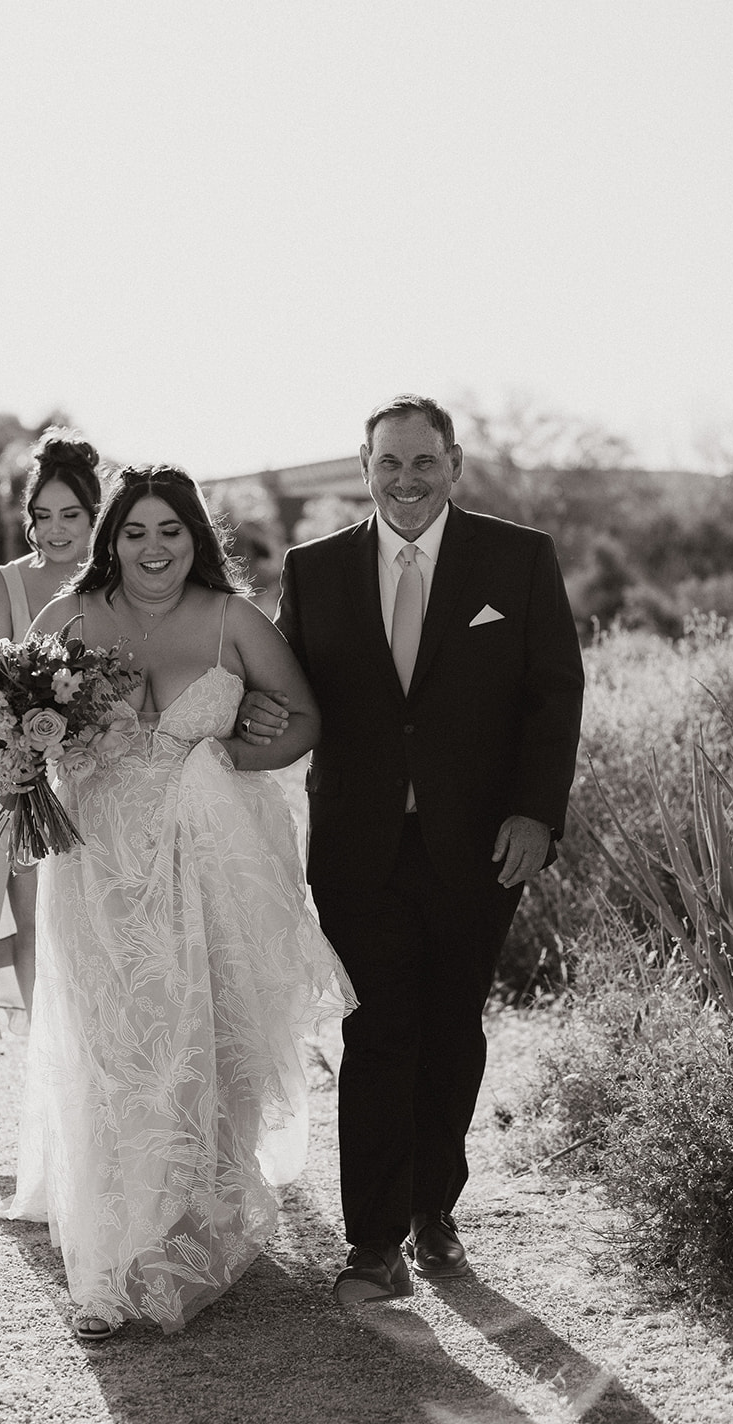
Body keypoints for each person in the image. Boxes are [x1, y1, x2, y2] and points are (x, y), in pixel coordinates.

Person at [239, 395, 584, 1304]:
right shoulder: (314, 570)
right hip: (357, 847)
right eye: (387, 463)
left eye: (422, 461)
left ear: (454, 462)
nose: (405, 480)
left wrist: (535, 814)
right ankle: (373, 1241)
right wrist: (256, 714)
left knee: (450, 1032)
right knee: (375, 1031)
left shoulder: (517, 558)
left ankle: (437, 1212)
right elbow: (288, 688)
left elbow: (553, 696)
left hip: (480, 846)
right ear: (364, 466)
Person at [0, 465, 355, 1340]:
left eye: (170, 531)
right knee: (118, 1045)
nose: (152, 549)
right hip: (99, 867)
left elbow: (305, 719)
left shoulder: (235, 619)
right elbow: (12, 721)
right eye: (134, 532)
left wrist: (231, 753)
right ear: (109, 539)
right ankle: (113, 1257)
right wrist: (14, 760)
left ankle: (198, 1214)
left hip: (208, 858)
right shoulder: (70, 620)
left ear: (195, 537)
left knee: (211, 1030)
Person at [0, 429, 103, 1040]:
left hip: (102, 770)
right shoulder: (1, 585)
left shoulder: (119, 582)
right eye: (43, 515)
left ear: (95, 515)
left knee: (98, 922)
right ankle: (47, 1058)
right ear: (28, 518)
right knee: (34, 922)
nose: (56, 529)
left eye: (71, 515)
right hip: (22, 780)